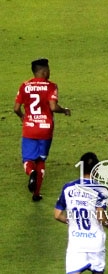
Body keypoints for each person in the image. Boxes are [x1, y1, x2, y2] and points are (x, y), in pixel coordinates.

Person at [54, 152, 108, 274]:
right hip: (95, 241)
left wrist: (73, 222)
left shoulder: (68, 188)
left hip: (76, 242)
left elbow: (57, 215)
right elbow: (100, 215)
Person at [14, 58, 71, 202]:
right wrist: (64, 110)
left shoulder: (24, 86)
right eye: (49, 70)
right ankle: (36, 194)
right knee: (40, 160)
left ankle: (31, 172)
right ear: (44, 71)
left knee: (28, 159)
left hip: (29, 128)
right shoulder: (51, 86)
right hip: (45, 130)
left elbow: (16, 108)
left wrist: (22, 117)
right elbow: (53, 107)